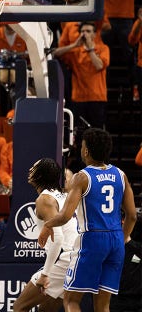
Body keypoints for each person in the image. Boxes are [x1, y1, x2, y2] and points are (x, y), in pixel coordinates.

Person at [38, 128, 137, 312]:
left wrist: (48, 225)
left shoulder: (82, 177)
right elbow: (131, 215)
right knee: (103, 305)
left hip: (92, 239)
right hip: (115, 240)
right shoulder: (121, 175)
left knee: (71, 300)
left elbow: (65, 216)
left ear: (86, 151)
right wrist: (121, 240)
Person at [13, 158, 79, 312]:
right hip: (77, 259)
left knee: (19, 307)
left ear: (41, 175)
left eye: (34, 167)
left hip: (64, 259)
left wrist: (45, 274)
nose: (30, 169)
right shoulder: (64, 195)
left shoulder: (44, 199)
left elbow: (58, 239)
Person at [53, 22, 110, 129]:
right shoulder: (75, 51)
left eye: (88, 31)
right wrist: (74, 45)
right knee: (79, 132)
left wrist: (90, 49)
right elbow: (55, 53)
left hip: (97, 97)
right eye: (82, 31)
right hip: (78, 98)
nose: (84, 34)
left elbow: (99, 65)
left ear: (94, 34)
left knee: (96, 131)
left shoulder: (103, 48)